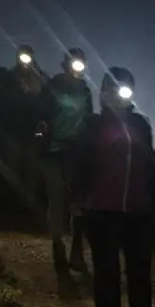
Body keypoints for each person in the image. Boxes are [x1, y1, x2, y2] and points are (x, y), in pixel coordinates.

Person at [76, 67, 155, 307]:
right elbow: (81, 165)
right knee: (106, 276)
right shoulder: (93, 125)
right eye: (109, 88)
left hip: (137, 211)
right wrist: (82, 201)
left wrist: (152, 202)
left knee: (140, 276)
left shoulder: (141, 124)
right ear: (102, 92)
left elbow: (150, 164)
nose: (116, 93)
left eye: (123, 88)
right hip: (101, 211)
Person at [34, 47, 93, 293]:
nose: (76, 66)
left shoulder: (86, 92)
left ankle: (76, 254)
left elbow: (89, 119)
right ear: (65, 64)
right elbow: (40, 113)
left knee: (78, 203)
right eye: (72, 62)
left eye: (80, 63)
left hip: (76, 152)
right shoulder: (54, 86)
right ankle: (59, 257)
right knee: (57, 199)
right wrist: (41, 130)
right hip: (54, 151)